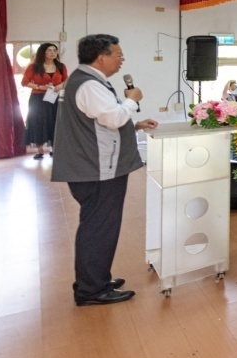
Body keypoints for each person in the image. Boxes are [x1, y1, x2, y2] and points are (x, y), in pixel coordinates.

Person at [51, 34, 158, 306]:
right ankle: (91, 290)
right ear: (101, 57)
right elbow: (112, 118)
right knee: (99, 228)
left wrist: (133, 125)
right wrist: (132, 100)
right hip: (96, 169)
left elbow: (96, 123)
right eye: (118, 55)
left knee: (98, 225)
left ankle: (96, 279)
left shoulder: (84, 81)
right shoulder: (89, 85)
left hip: (91, 166)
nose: (122, 60)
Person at [22, 42, 67, 159]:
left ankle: (54, 148)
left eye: (54, 50)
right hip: (38, 98)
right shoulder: (34, 67)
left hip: (54, 98)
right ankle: (40, 150)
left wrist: (60, 86)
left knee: (54, 121)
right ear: (43, 52)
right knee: (38, 121)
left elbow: (67, 81)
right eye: (49, 50)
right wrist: (39, 87)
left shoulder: (61, 66)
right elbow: (25, 82)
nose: (52, 53)